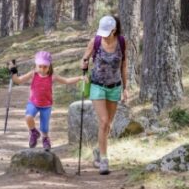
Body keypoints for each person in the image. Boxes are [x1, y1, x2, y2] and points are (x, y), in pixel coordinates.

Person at [80, 15, 128, 175]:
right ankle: (104, 159)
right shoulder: (96, 41)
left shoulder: (122, 42)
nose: (104, 35)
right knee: (104, 120)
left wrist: (125, 88)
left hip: (115, 87)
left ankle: (98, 150)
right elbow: (84, 59)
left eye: (107, 32)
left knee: (108, 125)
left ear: (114, 30)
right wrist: (84, 65)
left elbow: (124, 66)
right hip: (97, 86)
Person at [9, 51, 82, 151]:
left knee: (44, 128)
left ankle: (45, 139)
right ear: (36, 65)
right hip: (33, 103)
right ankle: (33, 132)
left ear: (49, 66)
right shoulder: (33, 74)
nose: (42, 69)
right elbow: (18, 81)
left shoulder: (52, 76)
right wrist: (13, 71)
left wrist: (80, 78)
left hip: (46, 105)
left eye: (45, 67)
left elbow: (67, 81)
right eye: (40, 66)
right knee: (28, 117)